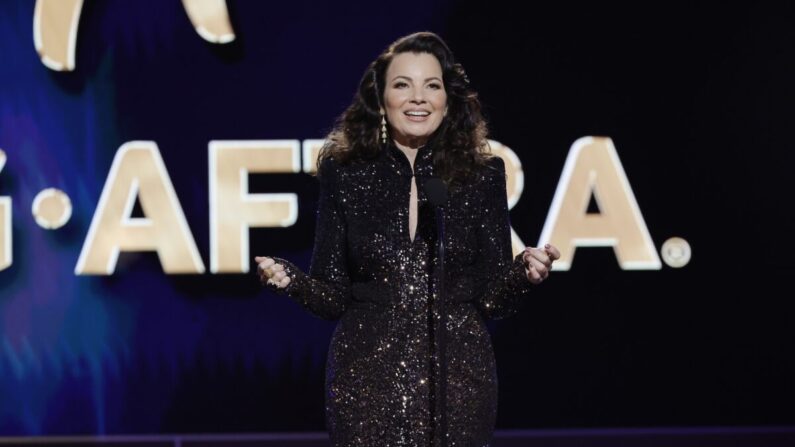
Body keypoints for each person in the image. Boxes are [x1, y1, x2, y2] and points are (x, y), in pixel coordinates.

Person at [254, 31, 559, 447]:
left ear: (448, 99)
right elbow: (332, 298)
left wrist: (525, 272)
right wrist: (291, 281)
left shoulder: (482, 175)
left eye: (431, 86)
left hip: (459, 379)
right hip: (364, 380)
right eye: (403, 85)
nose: (418, 98)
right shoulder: (345, 173)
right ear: (380, 98)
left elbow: (491, 300)